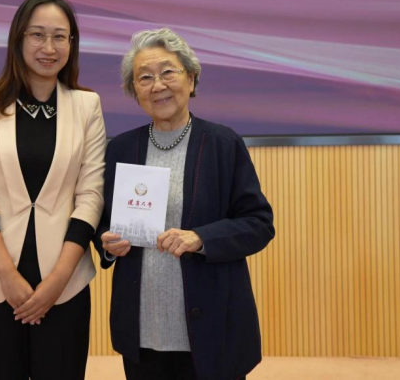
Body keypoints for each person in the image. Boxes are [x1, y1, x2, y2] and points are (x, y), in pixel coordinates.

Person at [94, 28, 275, 380]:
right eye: (144, 77)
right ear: (135, 91)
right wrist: (107, 243)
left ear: (190, 79)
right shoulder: (121, 149)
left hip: (212, 328)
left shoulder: (222, 144)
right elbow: (103, 221)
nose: (157, 85)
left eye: (168, 72)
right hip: (143, 330)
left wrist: (200, 238)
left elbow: (258, 223)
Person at [0, 0, 106, 379]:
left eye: (60, 37)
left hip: (65, 285)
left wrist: (56, 282)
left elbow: (90, 197)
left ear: (72, 43)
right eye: (38, 35)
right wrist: (8, 276)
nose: (49, 47)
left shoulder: (87, 106)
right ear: (18, 38)